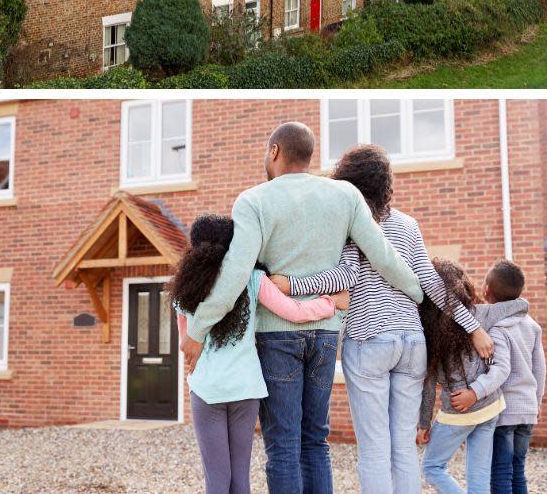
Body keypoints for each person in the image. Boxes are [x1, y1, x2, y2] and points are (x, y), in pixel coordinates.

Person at [180, 122, 422, 494]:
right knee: (315, 441)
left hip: (276, 337)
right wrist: (418, 294)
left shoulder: (254, 200)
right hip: (326, 334)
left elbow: (234, 277)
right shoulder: (345, 195)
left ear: (274, 151)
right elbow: (384, 257)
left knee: (284, 445)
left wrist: (196, 333)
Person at [272, 144, 495, 494]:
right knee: (403, 448)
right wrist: (475, 327)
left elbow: (345, 277)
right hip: (411, 343)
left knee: (375, 449)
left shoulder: (351, 223)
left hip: (369, 339)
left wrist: (293, 284)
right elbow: (433, 283)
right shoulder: (408, 225)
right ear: (385, 184)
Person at [173, 215, 351, 494]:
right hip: (246, 389)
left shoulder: (183, 291)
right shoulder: (253, 279)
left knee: (217, 481)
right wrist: (332, 303)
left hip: (207, 390)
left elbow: (186, 344)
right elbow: (296, 312)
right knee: (240, 478)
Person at [417, 258, 510, 494]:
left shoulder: (429, 332)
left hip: (460, 410)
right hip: (491, 406)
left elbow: (428, 384)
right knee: (478, 474)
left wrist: (424, 423)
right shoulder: (480, 315)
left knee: (431, 467)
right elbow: (520, 305)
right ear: (464, 287)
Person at [479, 260, 545, 494]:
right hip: (527, 409)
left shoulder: (497, 328)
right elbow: (540, 369)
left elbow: (501, 369)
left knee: (500, 472)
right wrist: (536, 402)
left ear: (487, 290)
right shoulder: (532, 326)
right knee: (518, 469)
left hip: (505, 412)